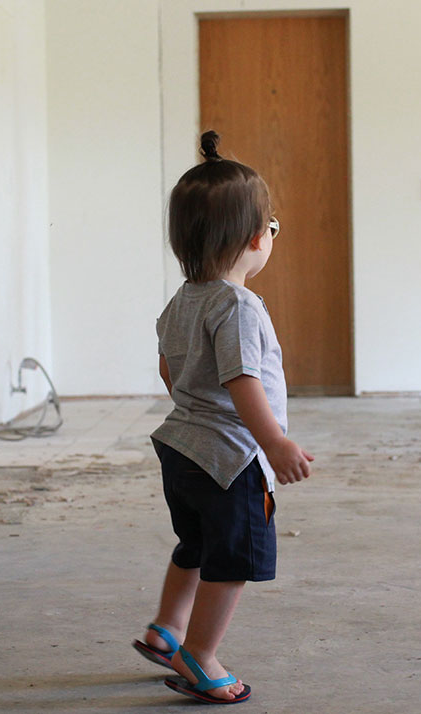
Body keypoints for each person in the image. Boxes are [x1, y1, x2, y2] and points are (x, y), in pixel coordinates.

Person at [132, 130, 313, 705]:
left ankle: (166, 628)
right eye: (274, 228)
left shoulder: (183, 299)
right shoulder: (237, 305)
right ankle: (200, 657)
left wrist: (192, 409)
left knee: (194, 545)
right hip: (231, 459)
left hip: (180, 448)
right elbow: (242, 382)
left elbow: (168, 368)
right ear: (257, 238)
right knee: (232, 562)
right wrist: (276, 443)